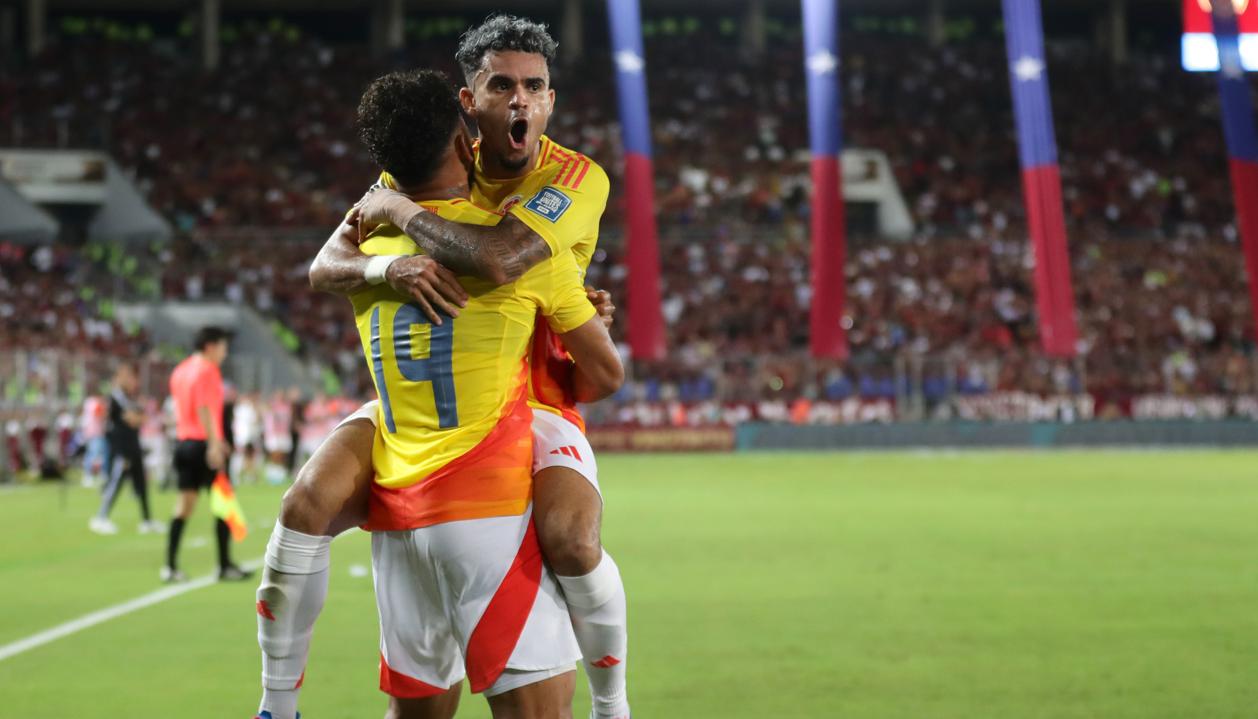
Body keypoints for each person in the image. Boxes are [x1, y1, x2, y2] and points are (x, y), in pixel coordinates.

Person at [253, 66, 623, 719]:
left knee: (306, 508)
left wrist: (384, 255)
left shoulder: (372, 237)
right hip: (489, 505)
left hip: (400, 509)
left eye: (532, 88)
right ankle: (614, 704)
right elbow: (602, 373)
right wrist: (581, 328)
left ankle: (276, 703)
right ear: (465, 127)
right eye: (501, 88)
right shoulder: (522, 246)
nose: (518, 102)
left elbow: (323, 269)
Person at [166, 326, 253, 583]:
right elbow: (204, 407)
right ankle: (224, 565)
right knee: (224, 504)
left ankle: (170, 566)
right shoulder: (207, 370)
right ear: (210, 346)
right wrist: (215, 443)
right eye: (223, 347)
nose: (225, 353)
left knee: (184, 505)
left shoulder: (180, 371)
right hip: (204, 444)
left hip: (184, 443)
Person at [89, 363, 160, 535]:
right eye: (126, 376)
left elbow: (141, 417)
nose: (131, 380)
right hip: (122, 448)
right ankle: (101, 517)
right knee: (116, 482)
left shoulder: (129, 398)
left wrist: (140, 415)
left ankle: (147, 520)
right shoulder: (115, 398)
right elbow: (134, 419)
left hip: (133, 446)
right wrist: (139, 416)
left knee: (141, 485)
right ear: (118, 378)